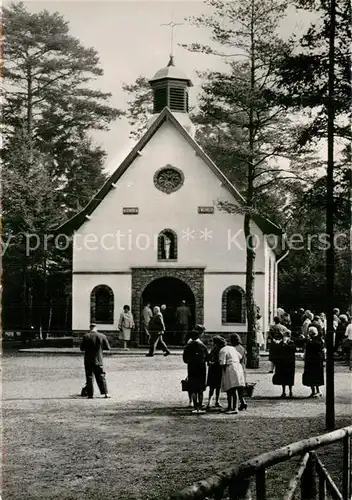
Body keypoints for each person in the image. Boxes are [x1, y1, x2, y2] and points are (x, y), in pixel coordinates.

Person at [80, 324, 111, 399]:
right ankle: (105, 393)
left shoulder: (86, 336)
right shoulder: (102, 336)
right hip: (98, 359)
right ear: (96, 328)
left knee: (89, 376)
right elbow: (107, 347)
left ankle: (90, 394)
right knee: (101, 376)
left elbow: (82, 348)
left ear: (90, 328)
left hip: (88, 360)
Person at [183, 325, 208, 414]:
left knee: (193, 388)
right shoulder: (202, 346)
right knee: (200, 389)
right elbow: (207, 357)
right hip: (201, 368)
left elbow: (185, 360)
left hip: (191, 368)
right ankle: (200, 405)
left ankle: (194, 405)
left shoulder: (188, 346)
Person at [219, 334, 246, 414]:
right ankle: (230, 407)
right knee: (231, 388)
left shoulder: (223, 350)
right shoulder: (232, 348)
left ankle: (234, 408)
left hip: (230, 369)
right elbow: (240, 357)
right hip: (237, 367)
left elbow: (222, 363)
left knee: (232, 388)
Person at [302, 326, 325, 398]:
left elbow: (314, 346)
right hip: (314, 360)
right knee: (313, 376)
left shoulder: (317, 340)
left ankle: (317, 391)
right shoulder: (318, 340)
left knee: (314, 375)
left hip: (314, 360)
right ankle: (314, 391)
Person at [272, 332, 296, 398]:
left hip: (290, 363)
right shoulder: (281, 343)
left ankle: (290, 391)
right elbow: (277, 351)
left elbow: (293, 349)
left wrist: (286, 344)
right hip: (282, 363)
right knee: (283, 378)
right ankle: (283, 392)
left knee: (290, 378)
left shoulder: (292, 343)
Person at [206, 335, 226, 409]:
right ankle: (211, 402)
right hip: (214, 369)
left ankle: (216, 401)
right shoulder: (214, 349)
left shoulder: (220, 350)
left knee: (217, 387)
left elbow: (220, 360)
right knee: (213, 386)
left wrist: (212, 362)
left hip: (217, 369)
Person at [231, 333, 248, 411]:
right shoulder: (242, 348)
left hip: (237, 368)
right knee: (240, 387)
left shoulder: (234, 349)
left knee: (235, 387)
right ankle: (243, 402)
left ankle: (236, 404)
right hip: (243, 368)